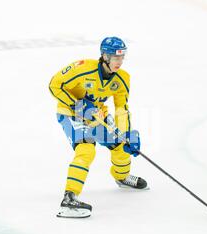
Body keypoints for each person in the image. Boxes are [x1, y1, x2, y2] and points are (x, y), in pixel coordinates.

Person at [49, 37, 148, 218]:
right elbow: (54, 85)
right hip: (72, 114)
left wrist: (125, 134)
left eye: (121, 57)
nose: (119, 61)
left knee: (121, 144)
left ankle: (122, 176)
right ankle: (69, 198)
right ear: (104, 56)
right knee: (86, 149)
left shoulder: (122, 79)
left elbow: (121, 110)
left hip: (97, 117)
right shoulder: (82, 67)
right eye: (115, 57)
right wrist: (76, 104)